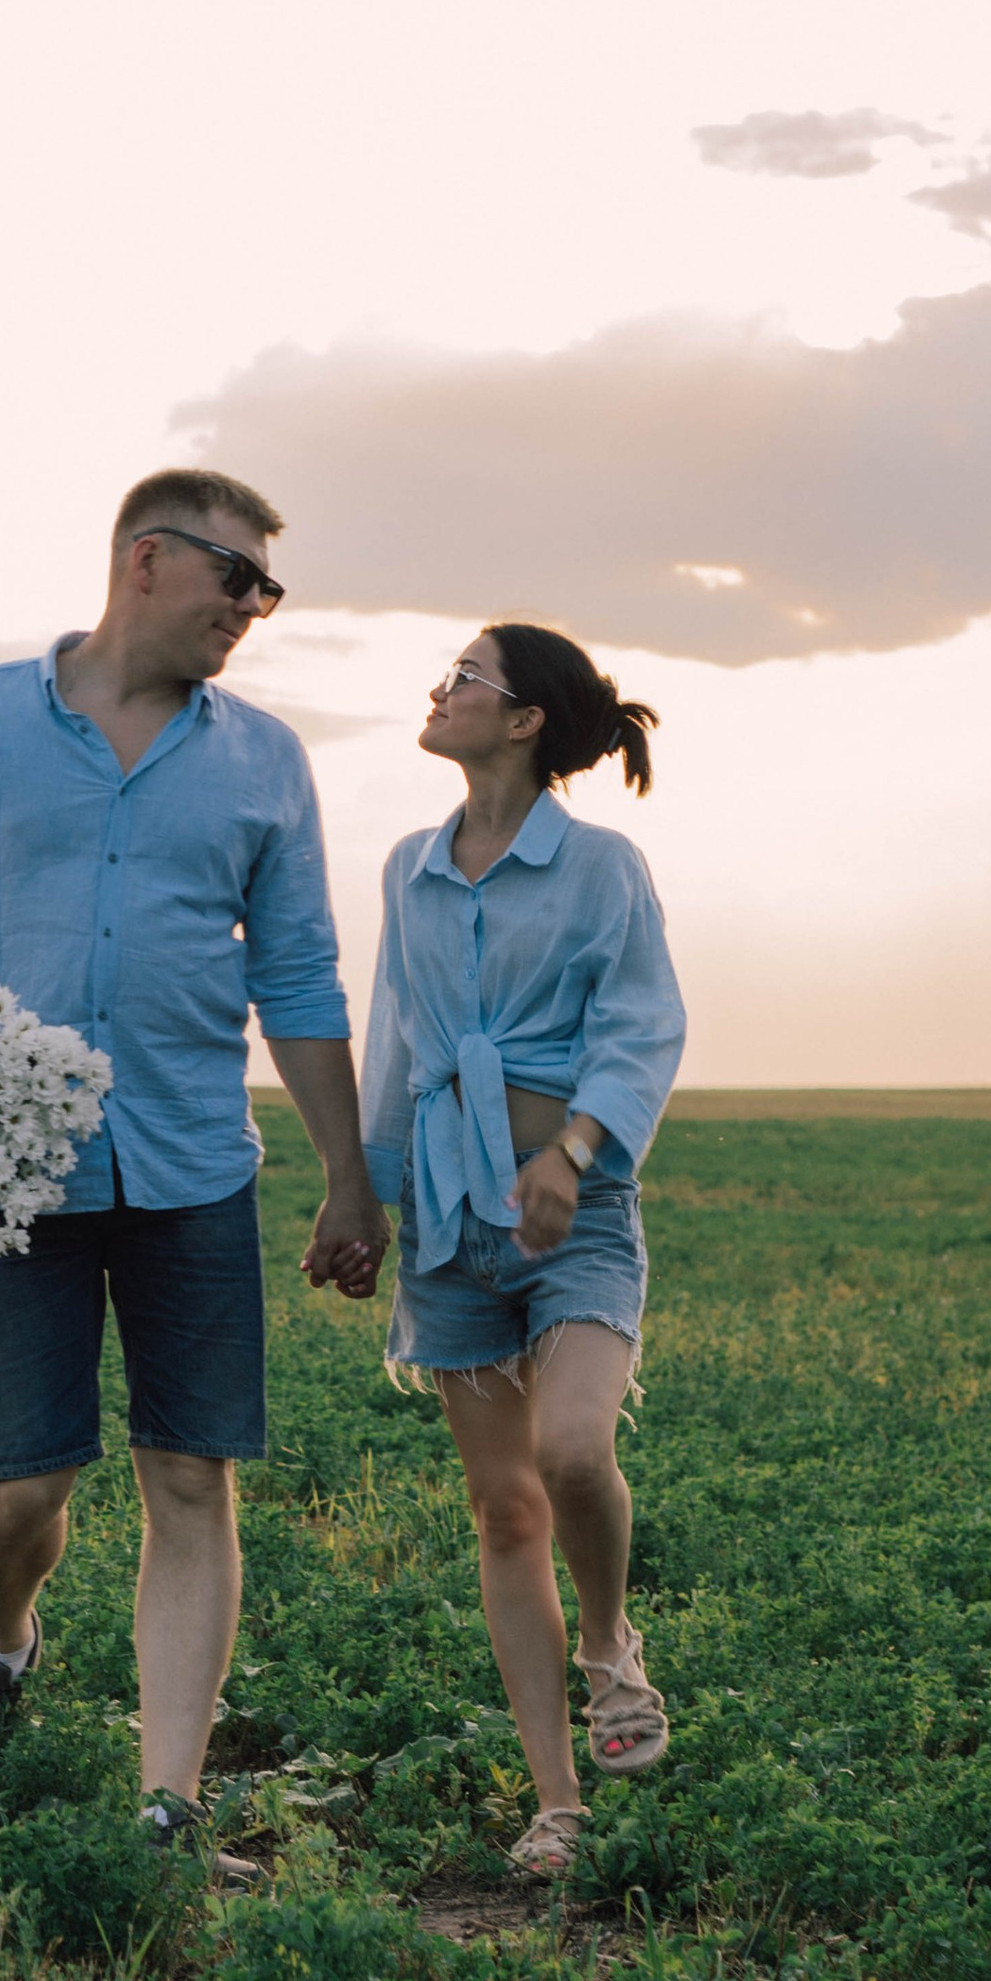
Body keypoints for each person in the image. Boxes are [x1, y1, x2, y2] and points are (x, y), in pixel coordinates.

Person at [0, 468, 388, 1874]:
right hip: (9, 1167)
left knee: (191, 1482)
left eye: (271, 591)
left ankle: (168, 1806)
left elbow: (301, 974)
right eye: (239, 581)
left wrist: (347, 1172)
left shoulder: (267, 759)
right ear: (148, 561)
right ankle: (3, 1639)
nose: (254, 612)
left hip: (194, 1159)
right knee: (21, 1490)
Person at [360, 622, 686, 1881]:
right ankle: (558, 1801)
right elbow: (397, 1038)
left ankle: (610, 1642)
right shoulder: (408, 865)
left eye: (463, 678)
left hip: (576, 1217)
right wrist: (364, 1196)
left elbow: (642, 1019)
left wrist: (572, 1151)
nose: (436, 692)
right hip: (447, 1222)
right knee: (503, 1510)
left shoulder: (601, 865)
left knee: (569, 1449)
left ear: (523, 719)